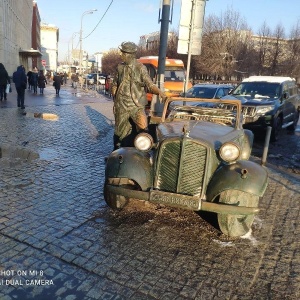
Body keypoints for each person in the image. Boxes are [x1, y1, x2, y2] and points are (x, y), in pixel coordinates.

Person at [111, 41, 167, 150]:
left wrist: (160, 92)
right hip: (121, 105)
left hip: (136, 105)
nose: (121, 54)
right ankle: (116, 153)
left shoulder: (140, 68)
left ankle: (142, 153)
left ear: (130, 55)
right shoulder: (120, 68)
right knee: (119, 131)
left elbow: (149, 85)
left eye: (123, 53)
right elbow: (114, 84)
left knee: (143, 129)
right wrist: (115, 96)